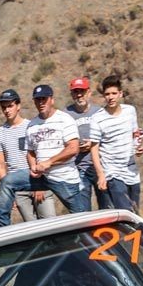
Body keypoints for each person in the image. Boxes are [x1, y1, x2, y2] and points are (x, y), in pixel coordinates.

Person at [25, 84, 90, 214]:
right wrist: (33, 167)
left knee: (81, 214)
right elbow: (30, 151)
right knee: (9, 183)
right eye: (38, 99)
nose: (41, 102)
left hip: (64, 177)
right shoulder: (31, 125)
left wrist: (49, 162)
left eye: (44, 99)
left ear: (52, 100)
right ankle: (1, 223)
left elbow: (73, 148)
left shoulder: (64, 119)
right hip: (42, 177)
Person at [0, 89, 51, 225]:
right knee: (30, 228)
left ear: (18, 106)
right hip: (18, 188)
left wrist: (39, 184)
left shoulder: (32, 126)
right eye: (4, 107)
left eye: (10, 106)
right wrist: (8, 194)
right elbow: (1, 166)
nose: (7, 110)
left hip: (37, 180)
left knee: (50, 223)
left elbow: (40, 154)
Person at [89, 75, 143, 212]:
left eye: (114, 93)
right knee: (125, 211)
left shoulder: (130, 111)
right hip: (112, 172)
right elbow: (94, 149)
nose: (111, 97)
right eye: (107, 94)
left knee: (135, 212)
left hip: (131, 170)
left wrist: (138, 148)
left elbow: (135, 134)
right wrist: (101, 175)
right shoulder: (97, 118)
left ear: (120, 94)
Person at [65, 77, 104, 208]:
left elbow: (108, 137)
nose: (79, 95)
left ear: (89, 93)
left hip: (100, 166)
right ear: (72, 94)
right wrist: (74, 146)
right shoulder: (65, 115)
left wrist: (93, 144)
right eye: (76, 92)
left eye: (82, 91)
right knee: (83, 210)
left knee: (107, 207)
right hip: (78, 168)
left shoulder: (100, 112)